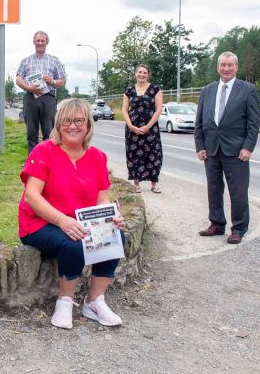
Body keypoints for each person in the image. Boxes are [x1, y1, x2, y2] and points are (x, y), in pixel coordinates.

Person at [18, 98, 125, 330]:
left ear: (88, 124)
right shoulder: (44, 151)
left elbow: (101, 198)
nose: (72, 126)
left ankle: (94, 301)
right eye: (66, 121)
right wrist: (62, 220)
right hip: (40, 222)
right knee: (73, 243)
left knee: (116, 234)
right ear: (58, 123)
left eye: (78, 120)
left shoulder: (97, 157)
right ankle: (65, 301)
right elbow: (32, 196)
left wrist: (111, 216)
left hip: (76, 222)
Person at [194, 51, 260, 245]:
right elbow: (200, 121)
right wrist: (200, 145)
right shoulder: (207, 90)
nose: (226, 68)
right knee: (213, 188)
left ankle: (239, 228)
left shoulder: (248, 90)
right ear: (218, 67)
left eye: (230, 65)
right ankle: (217, 223)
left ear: (236, 67)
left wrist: (248, 147)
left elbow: (253, 123)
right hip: (211, 149)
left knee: (238, 191)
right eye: (223, 65)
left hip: (237, 151)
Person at [15, 31, 66, 155]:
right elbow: (18, 79)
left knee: (49, 132)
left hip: (48, 98)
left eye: (42, 41)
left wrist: (52, 80)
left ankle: (48, 160)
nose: (40, 43)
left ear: (47, 43)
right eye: (37, 41)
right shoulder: (25, 61)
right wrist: (29, 87)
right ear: (34, 42)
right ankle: (32, 162)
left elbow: (62, 81)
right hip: (30, 97)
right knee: (31, 132)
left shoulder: (54, 61)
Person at [122, 64, 164, 194]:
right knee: (134, 155)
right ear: (135, 73)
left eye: (144, 72)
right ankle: (136, 184)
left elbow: (159, 109)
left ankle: (154, 183)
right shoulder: (129, 90)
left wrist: (147, 127)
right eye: (139, 72)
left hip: (151, 129)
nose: (141, 74)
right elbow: (124, 109)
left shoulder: (155, 89)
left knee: (153, 154)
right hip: (132, 129)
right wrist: (130, 126)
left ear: (148, 74)